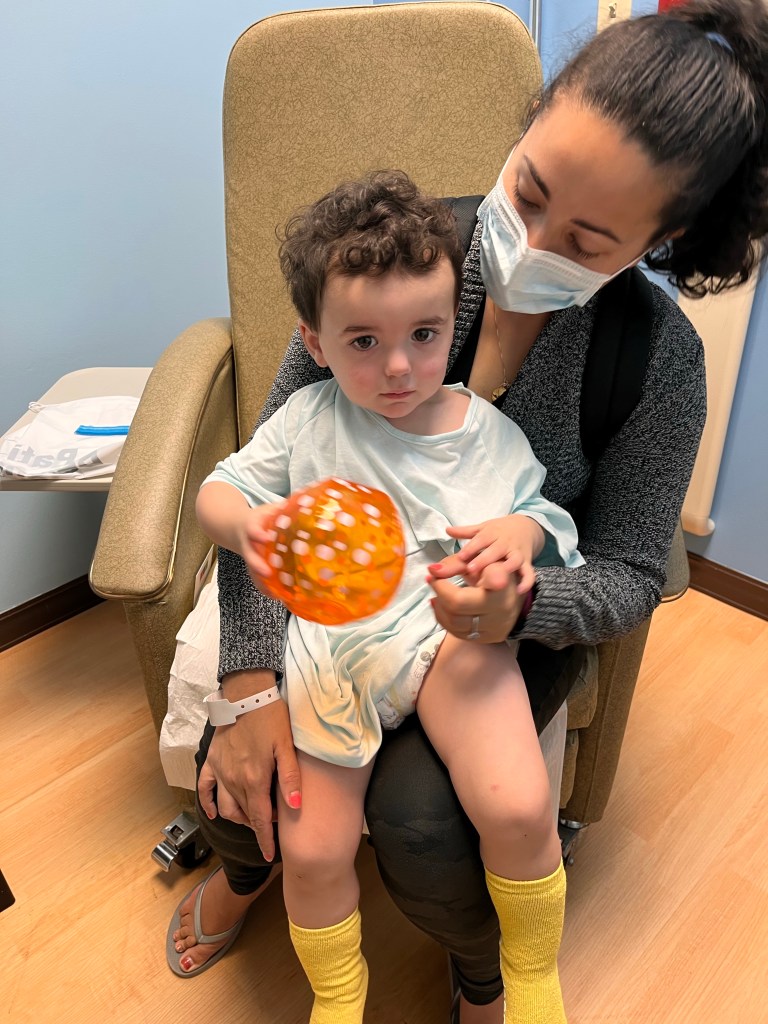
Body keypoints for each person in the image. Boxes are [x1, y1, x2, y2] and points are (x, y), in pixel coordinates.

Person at [170, 2, 768, 1022]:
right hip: (330, 610)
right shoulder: (391, 263)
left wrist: (520, 599)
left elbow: (629, 572)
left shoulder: (656, 362)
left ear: (657, 240)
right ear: (526, 126)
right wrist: (249, 682)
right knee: (252, 757)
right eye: (529, 189)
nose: (527, 242)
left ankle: (488, 974)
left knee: (430, 824)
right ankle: (245, 868)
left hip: (488, 621)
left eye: (587, 238)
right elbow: (272, 479)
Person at [190, 170, 584, 1023]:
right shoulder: (307, 420)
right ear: (315, 341)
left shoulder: (487, 432)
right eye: (364, 340)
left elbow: (544, 520)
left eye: (424, 335)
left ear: (452, 325)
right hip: (331, 651)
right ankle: (338, 998)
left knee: (519, 805)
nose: (399, 366)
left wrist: (519, 537)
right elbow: (218, 490)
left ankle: (532, 977)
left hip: (445, 637)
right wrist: (249, 526)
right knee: (313, 851)